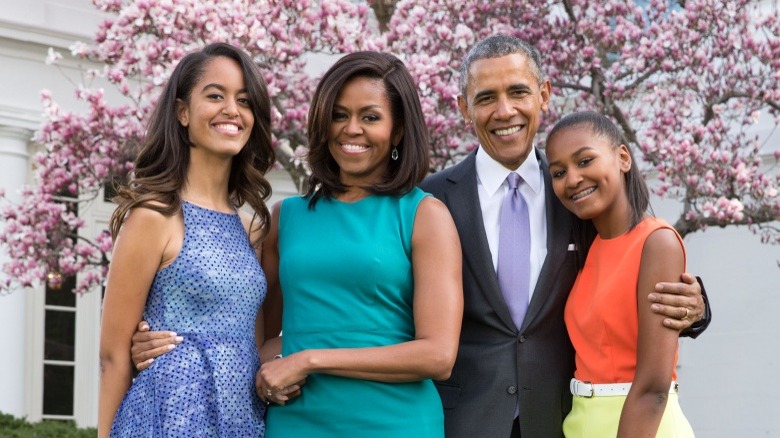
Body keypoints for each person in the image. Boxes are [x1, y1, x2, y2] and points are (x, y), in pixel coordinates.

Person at [418, 34, 710, 438]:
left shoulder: (579, 195)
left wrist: (695, 308)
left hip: (561, 420)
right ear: (464, 109)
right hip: (464, 421)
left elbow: (629, 257)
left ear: (544, 95)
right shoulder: (431, 199)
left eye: (518, 92)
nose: (505, 111)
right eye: (486, 98)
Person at [255, 50, 463, 437]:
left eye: (370, 117)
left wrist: (308, 359)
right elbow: (257, 336)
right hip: (297, 421)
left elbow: (438, 355)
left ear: (398, 130)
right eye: (338, 115)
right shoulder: (286, 217)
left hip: (395, 422)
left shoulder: (425, 215)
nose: (351, 129)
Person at [98, 43, 278, 437]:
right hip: (166, 417)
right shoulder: (153, 217)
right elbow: (113, 357)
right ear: (182, 111)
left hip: (241, 419)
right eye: (215, 95)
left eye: (244, 100)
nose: (232, 109)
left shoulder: (253, 230)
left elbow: (257, 343)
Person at [545, 111, 694, 437]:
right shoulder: (587, 251)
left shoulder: (657, 242)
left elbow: (653, 387)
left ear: (623, 158)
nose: (572, 179)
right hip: (582, 423)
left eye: (584, 161)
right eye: (559, 172)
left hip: (641, 425)